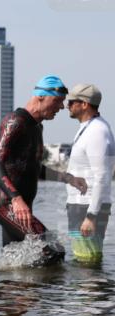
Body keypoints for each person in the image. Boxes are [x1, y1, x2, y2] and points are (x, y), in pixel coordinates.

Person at [0, 75, 87, 263]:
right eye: (57, 101)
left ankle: (16, 291)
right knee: (53, 250)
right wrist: (16, 199)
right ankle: (45, 291)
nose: (61, 107)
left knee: (13, 262)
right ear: (41, 96)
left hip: (21, 207)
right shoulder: (14, 121)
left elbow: (34, 168)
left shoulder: (37, 127)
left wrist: (68, 178)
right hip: (7, 205)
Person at [64, 83, 114, 265]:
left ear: (84, 104)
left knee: (87, 262)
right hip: (81, 205)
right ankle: (90, 292)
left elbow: (102, 176)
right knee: (83, 258)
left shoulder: (96, 132)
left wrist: (91, 216)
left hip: (87, 207)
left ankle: (92, 293)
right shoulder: (89, 127)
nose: (66, 105)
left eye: (71, 102)